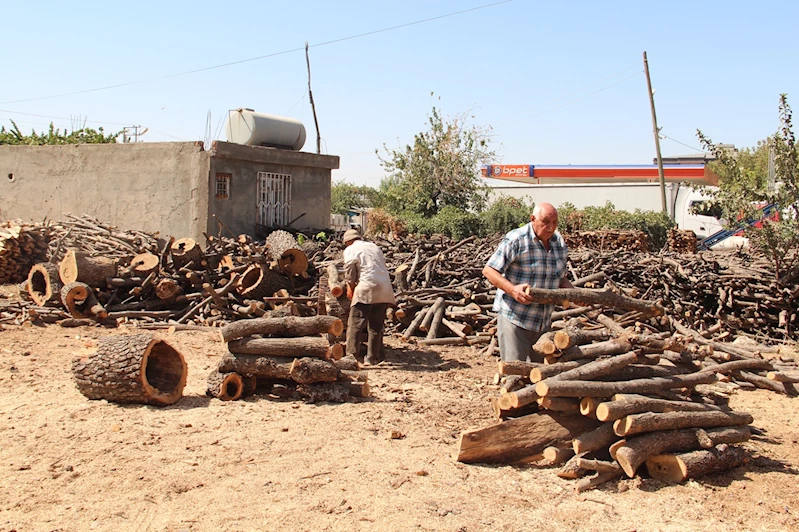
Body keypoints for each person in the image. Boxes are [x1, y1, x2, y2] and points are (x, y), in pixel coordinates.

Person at [482, 203, 573, 362]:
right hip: (515, 317)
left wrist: (574, 293)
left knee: (536, 376)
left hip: (542, 322)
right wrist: (513, 290)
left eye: (555, 222)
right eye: (545, 221)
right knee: (515, 373)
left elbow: (560, 277)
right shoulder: (517, 239)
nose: (551, 227)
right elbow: (489, 270)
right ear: (533, 219)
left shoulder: (559, 243)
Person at [342, 229, 396, 365]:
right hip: (384, 288)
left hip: (367, 287)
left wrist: (350, 287)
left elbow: (350, 271)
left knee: (355, 324)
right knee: (376, 326)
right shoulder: (374, 247)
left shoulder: (350, 249)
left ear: (348, 241)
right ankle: (372, 358)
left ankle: (351, 357)